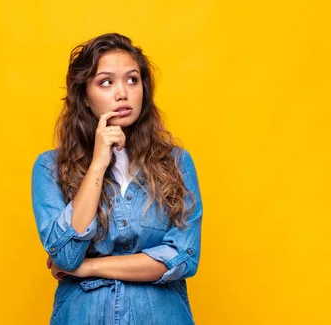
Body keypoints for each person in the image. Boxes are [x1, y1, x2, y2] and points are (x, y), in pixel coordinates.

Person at [31, 33, 203, 325]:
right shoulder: (50, 167)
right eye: (106, 82)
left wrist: (88, 268)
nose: (122, 93)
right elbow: (66, 255)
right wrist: (98, 164)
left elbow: (182, 258)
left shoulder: (176, 163)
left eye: (132, 79)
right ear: (85, 96)